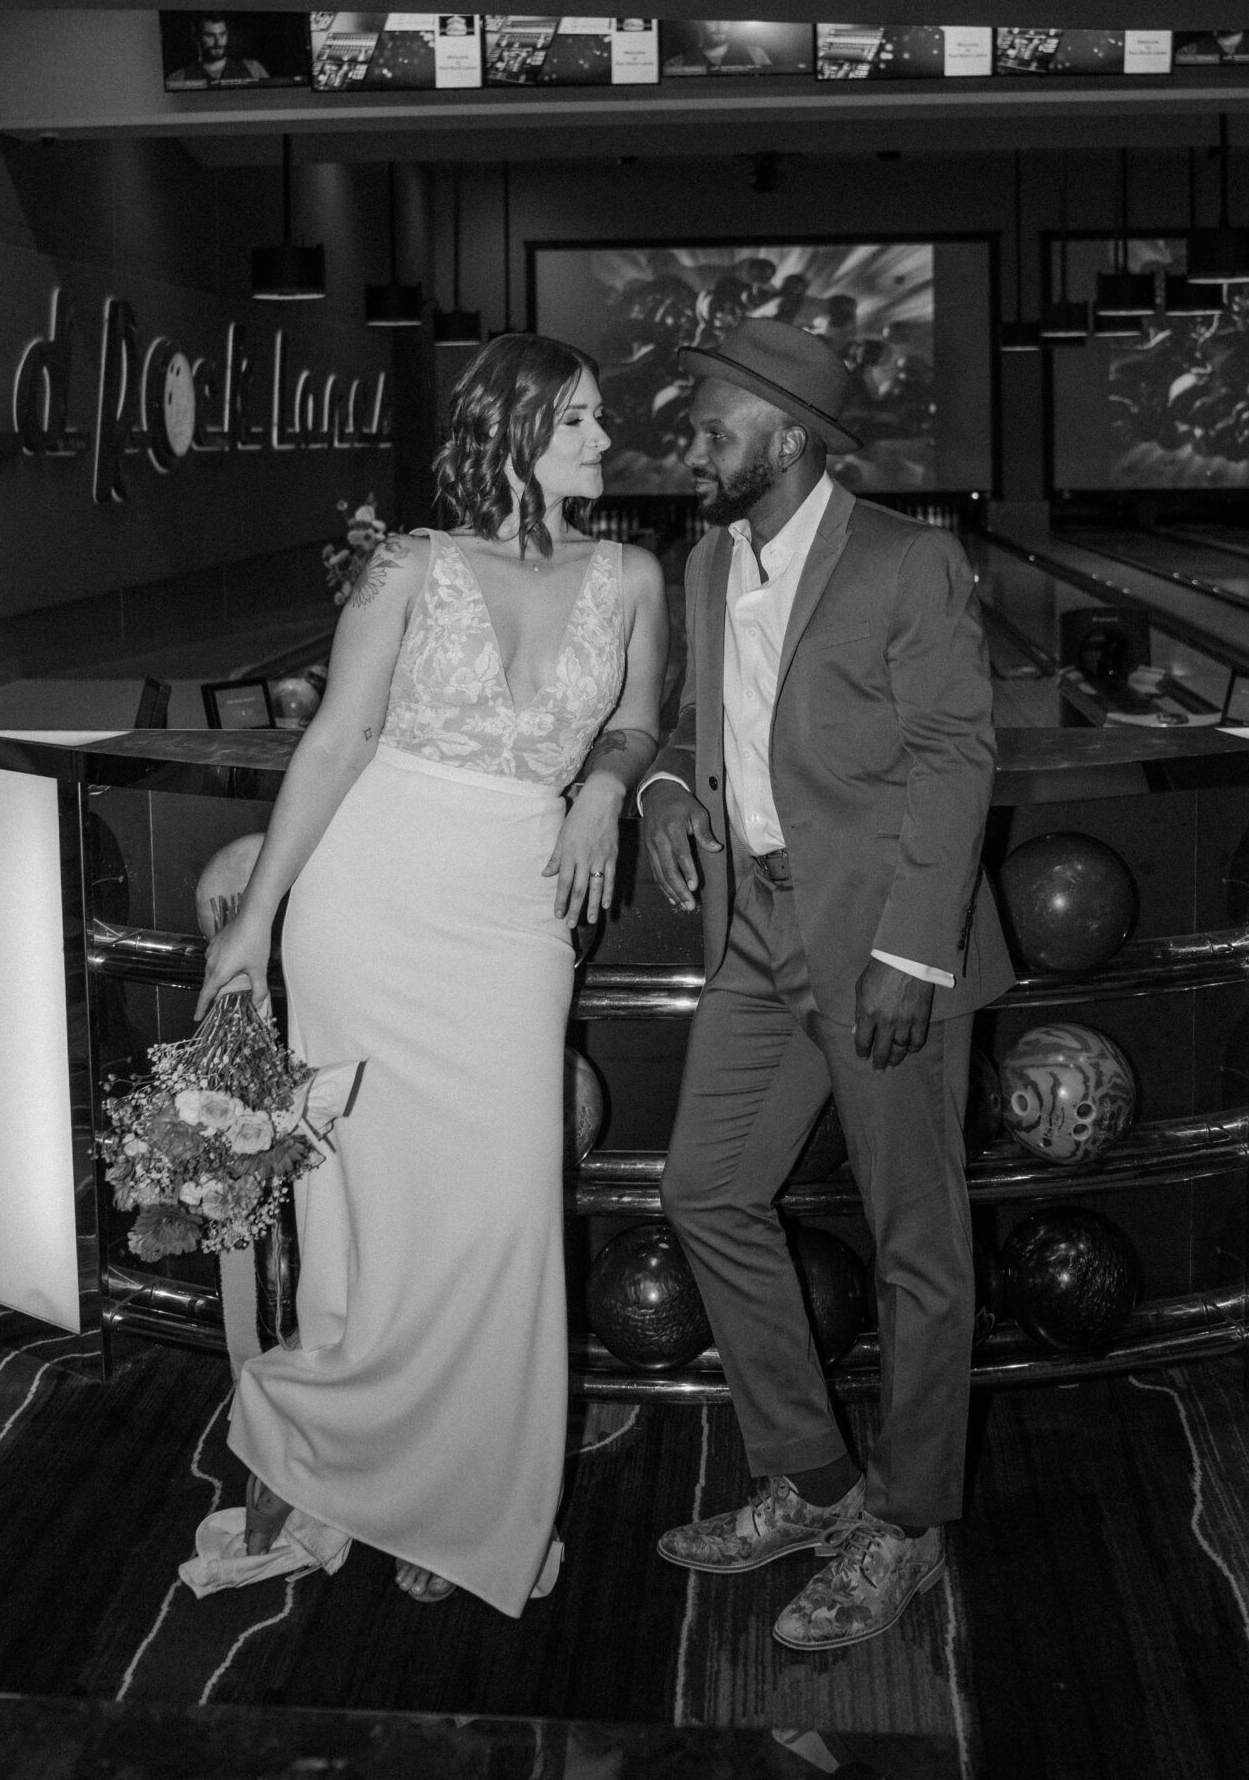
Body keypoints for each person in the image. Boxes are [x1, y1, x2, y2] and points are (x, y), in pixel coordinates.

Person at [187, 334, 667, 1612]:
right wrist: (255, 924)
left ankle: (468, 1500)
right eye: (576, 421)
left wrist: (607, 788)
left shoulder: (631, 574)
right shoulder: (409, 566)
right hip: (369, 902)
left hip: (513, 916)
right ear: (510, 426)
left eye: (600, 422)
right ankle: (367, 1473)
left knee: (502, 1215)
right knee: (371, 1211)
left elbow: (638, 717)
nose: (603, 444)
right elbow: (338, 741)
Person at [639, 317, 1012, 1652]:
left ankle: (902, 1527)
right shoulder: (702, 561)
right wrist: (670, 786)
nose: (689, 439)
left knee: (916, 1242)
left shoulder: (908, 561)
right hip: (754, 932)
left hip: (877, 944)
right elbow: (701, 726)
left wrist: (915, 951)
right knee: (705, 1188)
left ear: (783, 437)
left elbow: (954, 755)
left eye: (711, 420)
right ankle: (808, 1483)